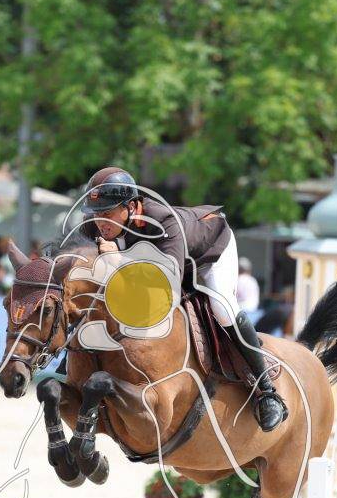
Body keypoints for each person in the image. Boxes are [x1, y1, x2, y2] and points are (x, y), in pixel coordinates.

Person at [80, 166, 287, 431]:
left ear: (131, 207)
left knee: (221, 307)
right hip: (170, 259)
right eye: (96, 214)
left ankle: (266, 391)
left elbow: (169, 278)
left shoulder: (163, 221)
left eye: (107, 214)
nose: (100, 222)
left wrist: (118, 259)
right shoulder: (97, 225)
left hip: (210, 252)